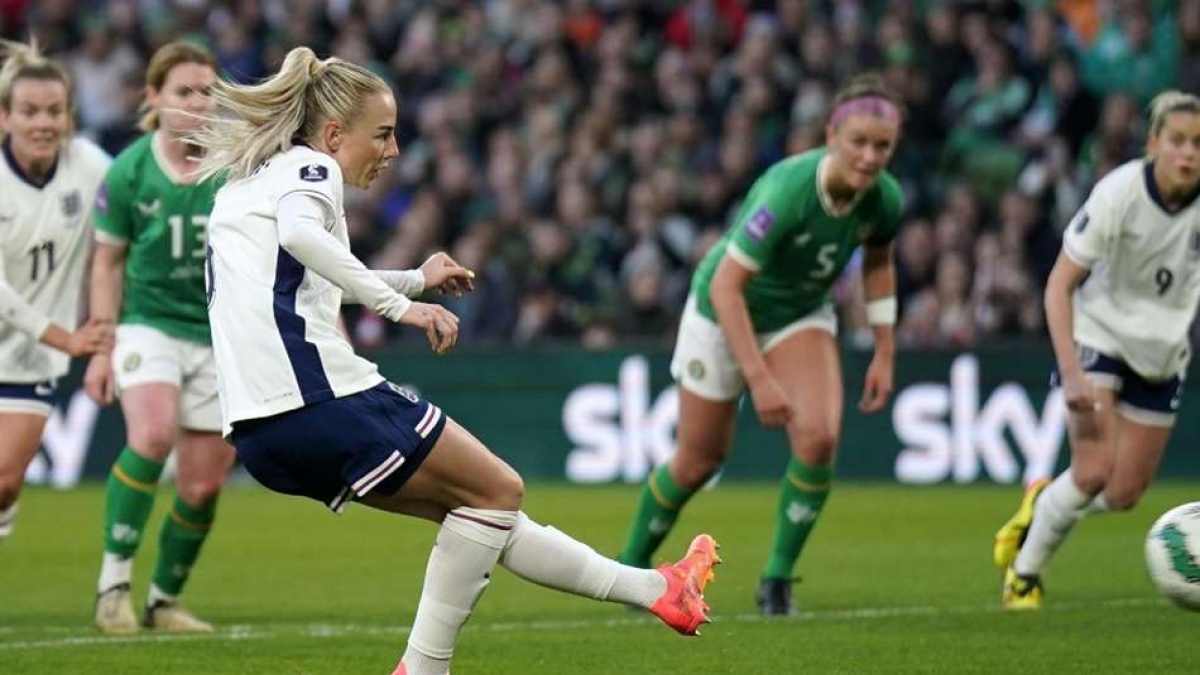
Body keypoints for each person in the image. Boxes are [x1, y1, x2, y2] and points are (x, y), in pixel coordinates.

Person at [192, 47, 720, 675]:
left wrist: (415, 279)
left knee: (483, 510)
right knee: (499, 489)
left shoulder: (248, 187)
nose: (393, 151)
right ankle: (423, 669)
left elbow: (307, 280)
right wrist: (401, 307)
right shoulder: (313, 169)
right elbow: (302, 238)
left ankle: (658, 590)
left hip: (258, 428)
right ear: (333, 135)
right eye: (382, 134)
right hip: (318, 397)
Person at [618, 74, 905, 616]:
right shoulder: (790, 191)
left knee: (819, 438)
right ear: (831, 136)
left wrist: (885, 350)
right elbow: (727, 287)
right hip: (722, 310)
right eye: (859, 142)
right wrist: (761, 380)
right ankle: (628, 567)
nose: (870, 157)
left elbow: (879, 263)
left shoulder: (885, 199)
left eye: (882, 146)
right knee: (699, 461)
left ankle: (776, 580)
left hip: (797, 314)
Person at [994, 91, 1200, 610]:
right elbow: (1058, 284)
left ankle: (1045, 502)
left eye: (1198, 144)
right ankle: (1024, 576)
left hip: (1163, 353)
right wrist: (1071, 370)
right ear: (1153, 144)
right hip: (1098, 336)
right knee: (1090, 472)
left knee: (1124, 493)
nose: (1188, 153)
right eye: (1177, 140)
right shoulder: (1118, 193)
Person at [84, 41, 230, 634]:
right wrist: (102, 346)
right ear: (154, 97)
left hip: (218, 334)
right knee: (149, 435)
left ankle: (163, 600)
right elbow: (107, 262)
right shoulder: (129, 171)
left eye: (208, 92)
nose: (198, 103)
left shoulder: (236, 169)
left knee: (204, 483)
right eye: (184, 92)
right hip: (149, 324)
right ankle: (112, 587)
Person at [0, 39, 113, 542]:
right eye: (29, 112)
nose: (43, 123)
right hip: (50, 339)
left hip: (29, 359)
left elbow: (133, 200)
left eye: (54, 111)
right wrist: (65, 338)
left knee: (4, 484)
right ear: (5, 118)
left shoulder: (89, 165)